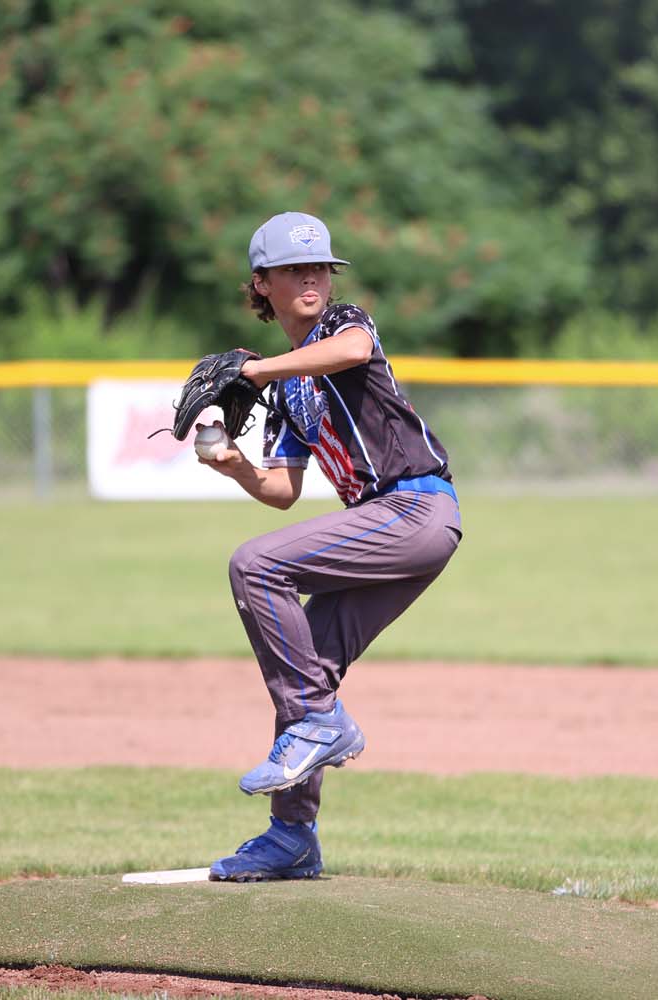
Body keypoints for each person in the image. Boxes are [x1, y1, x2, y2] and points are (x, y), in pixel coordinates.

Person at [198, 211, 462, 882]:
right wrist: (233, 464)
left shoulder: (346, 324)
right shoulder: (287, 385)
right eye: (295, 268)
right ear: (262, 285)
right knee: (306, 665)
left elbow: (351, 354)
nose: (314, 276)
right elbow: (282, 488)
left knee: (255, 565)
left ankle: (319, 725)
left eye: (320, 266)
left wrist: (257, 369)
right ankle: (293, 836)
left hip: (416, 507)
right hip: (389, 523)